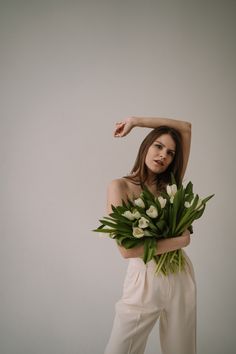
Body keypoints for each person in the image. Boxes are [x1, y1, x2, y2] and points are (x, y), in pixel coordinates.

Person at [104, 116, 196, 354]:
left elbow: (185, 128)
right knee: (120, 349)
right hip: (143, 279)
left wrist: (137, 120)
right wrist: (181, 240)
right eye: (158, 146)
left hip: (180, 276)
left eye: (170, 152)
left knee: (182, 349)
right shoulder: (119, 187)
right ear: (145, 147)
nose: (164, 155)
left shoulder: (169, 185)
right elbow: (127, 250)